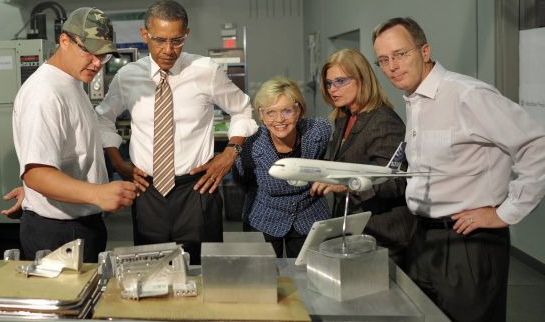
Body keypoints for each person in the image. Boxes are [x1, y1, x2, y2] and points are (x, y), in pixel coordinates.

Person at [372, 16, 545, 322]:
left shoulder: (467, 94)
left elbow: (537, 146)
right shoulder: (415, 101)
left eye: (400, 54)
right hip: (423, 238)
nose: (392, 67)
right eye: (383, 60)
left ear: (424, 52)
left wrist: (507, 212)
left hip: (470, 243)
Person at [95, 0, 257, 263]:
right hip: (147, 191)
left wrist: (230, 153)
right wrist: (118, 163)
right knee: (150, 272)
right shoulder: (128, 76)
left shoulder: (205, 71)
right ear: (144, 35)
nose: (169, 50)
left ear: (187, 34)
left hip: (197, 189)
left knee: (202, 271)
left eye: (177, 40)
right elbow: (102, 119)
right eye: (159, 40)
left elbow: (243, 109)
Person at [13, 7, 137, 262]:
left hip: (79, 224)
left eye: (102, 56)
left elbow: (55, 156)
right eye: (89, 52)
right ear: (65, 41)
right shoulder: (44, 94)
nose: (96, 63)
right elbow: (37, 173)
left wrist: (33, 190)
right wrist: (98, 194)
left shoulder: (70, 83)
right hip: (58, 233)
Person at [309, 48, 415, 267]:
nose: (333, 90)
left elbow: (398, 180)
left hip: (385, 233)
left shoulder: (382, 120)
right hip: (357, 231)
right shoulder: (345, 117)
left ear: (362, 79)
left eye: (340, 81)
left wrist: (347, 184)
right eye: (329, 83)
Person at [231, 76, 330, 258]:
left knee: (309, 276)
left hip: (310, 216)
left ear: (298, 110)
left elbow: (328, 163)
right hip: (264, 217)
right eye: (271, 112)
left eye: (286, 111)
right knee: (264, 279)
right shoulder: (250, 144)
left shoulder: (319, 131)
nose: (279, 120)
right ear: (261, 115)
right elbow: (241, 180)